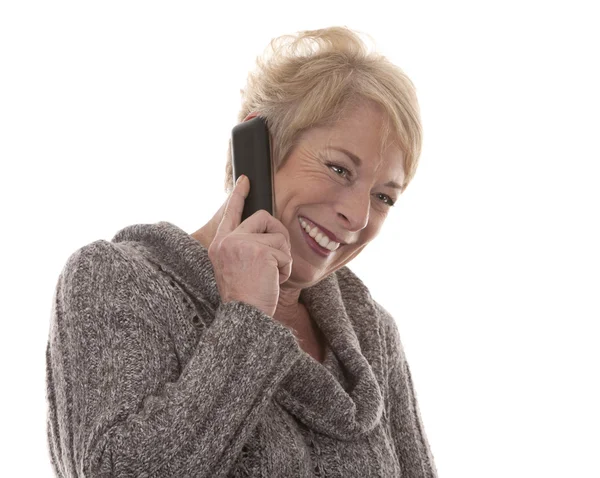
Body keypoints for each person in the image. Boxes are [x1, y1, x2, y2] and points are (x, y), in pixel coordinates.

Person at [45, 26, 438, 477]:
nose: (357, 215)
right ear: (259, 147)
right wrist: (245, 317)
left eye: (384, 197)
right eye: (338, 168)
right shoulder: (114, 278)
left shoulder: (371, 336)